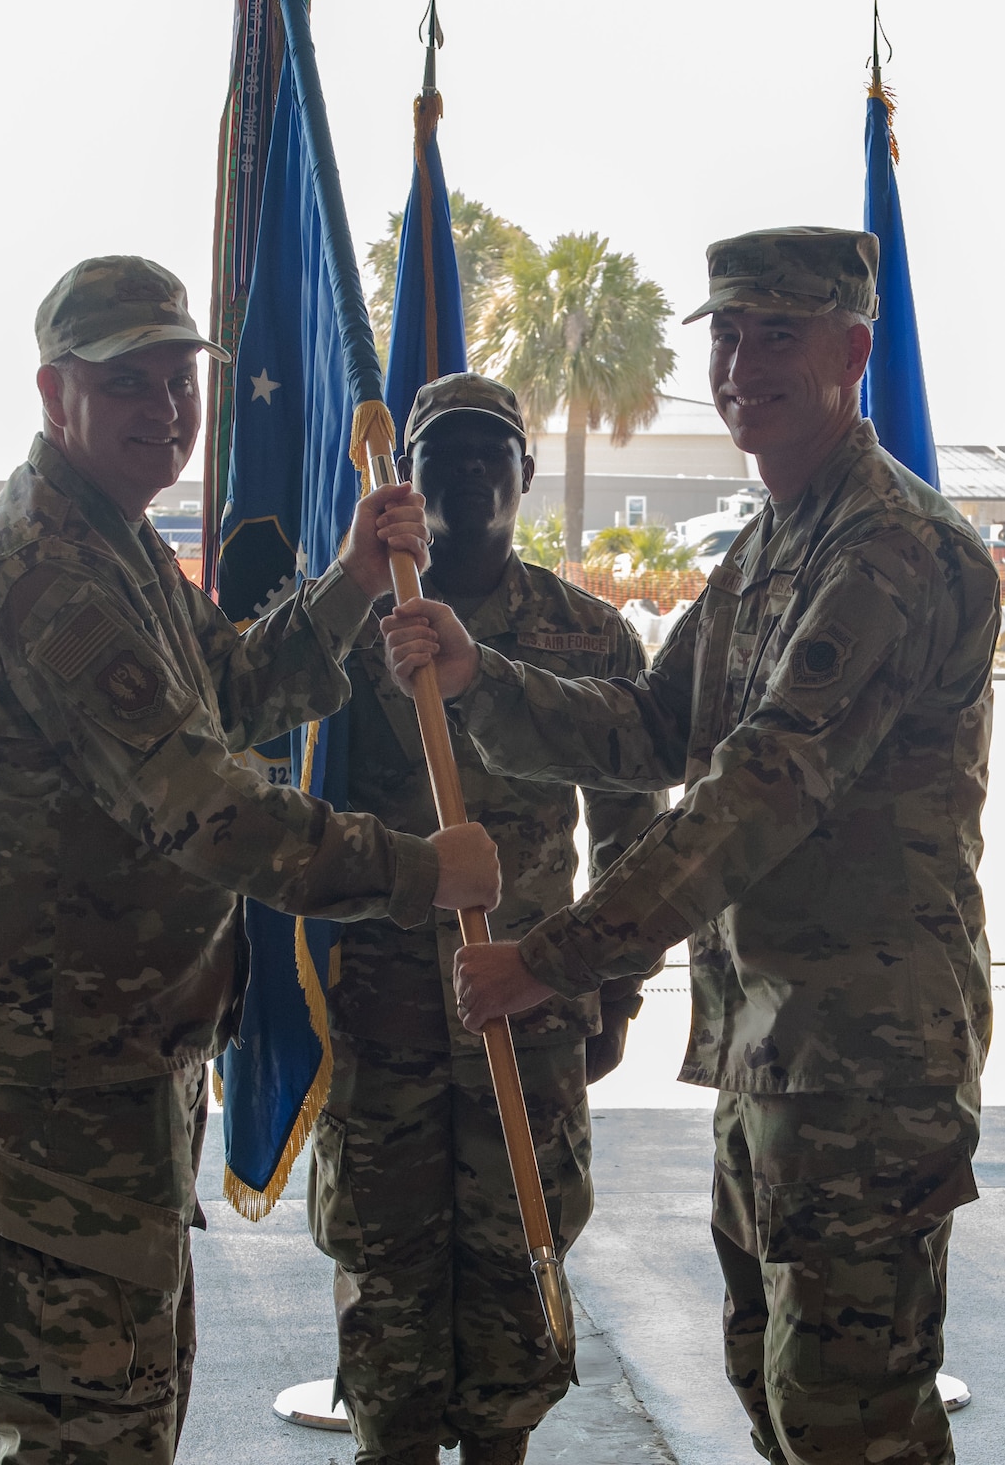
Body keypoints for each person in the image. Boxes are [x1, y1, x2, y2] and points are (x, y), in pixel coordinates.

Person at [383, 228, 998, 1465]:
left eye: (778, 333)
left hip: (860, 1064)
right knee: (777, 1389)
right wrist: (475, 675)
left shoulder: (887, 549)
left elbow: (754, 794)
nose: (740, 361)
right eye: (724, 334)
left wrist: (548, 958)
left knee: (851, 1415)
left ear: (851, 350)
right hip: (770, 1050)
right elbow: (655, 726)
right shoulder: (774, 542)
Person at [0, 255, 502, 1465]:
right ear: (51, 393)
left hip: (116, 1060)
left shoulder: (113, 544)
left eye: (179, 378)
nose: (165, 409)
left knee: (130, 1406)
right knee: (85, 1430)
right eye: (125, 381)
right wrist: (420, 871)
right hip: (55, 1081)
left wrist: (346, 585)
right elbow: (213, 815)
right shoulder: (46, 580)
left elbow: (231, 689)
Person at [313, 374, 663, 1465]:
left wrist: (613, 988)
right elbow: (288, 795)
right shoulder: (349, 624)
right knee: (389, 1297)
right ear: (407, 475)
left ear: (522, 469)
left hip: (526, 1007)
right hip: (385, 1012)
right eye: (444, 451)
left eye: (491, 449)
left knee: (521, 1274)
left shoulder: (587, 633)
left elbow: (631, 828)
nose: (470, 469)